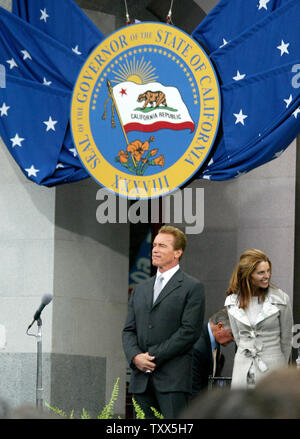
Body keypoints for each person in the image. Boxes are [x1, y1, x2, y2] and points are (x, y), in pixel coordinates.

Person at [122, 225, 205, 419]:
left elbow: (189, 331)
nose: (155, 249)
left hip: (173, 381)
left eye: (162, 246)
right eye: (154, 245)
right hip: (140, 381)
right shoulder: (140, 289)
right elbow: (128, 330)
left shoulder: (192, 287)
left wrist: (151, 357)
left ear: (178, 252)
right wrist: (135, 357)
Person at [224, 249, 293, 389]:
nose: (266, 276)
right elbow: (238, 338)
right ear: (247, 275)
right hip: (241, 370)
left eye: (268, 271)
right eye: (261, 272)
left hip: (273, 370)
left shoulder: (281, 299)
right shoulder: (232, 301)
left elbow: (286, 340)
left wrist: (278, 365)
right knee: (241, 409)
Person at [191, 307, 234, 397]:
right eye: (232, 334)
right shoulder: (198, 347)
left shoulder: (215, 340)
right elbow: (194, 388)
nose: (234, 339)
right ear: (220, 326)